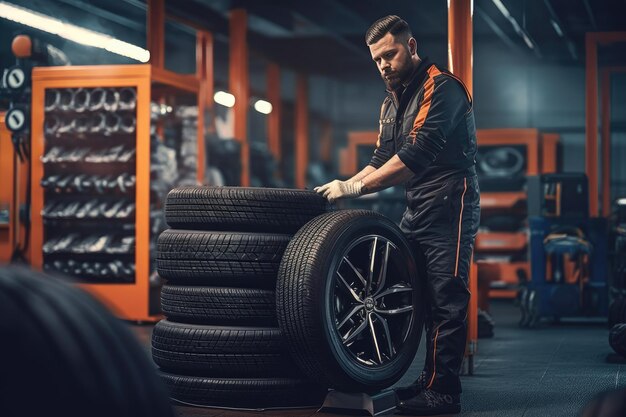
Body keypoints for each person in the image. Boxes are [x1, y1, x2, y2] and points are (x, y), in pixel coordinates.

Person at [314, 15, 480, 416]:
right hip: (417, 205)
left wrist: (355, 189)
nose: (383, 65)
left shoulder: (442, 88)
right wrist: (343, 184)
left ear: (410, 46)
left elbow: (416, 156)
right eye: (376, 60)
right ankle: (428, 380)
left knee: (446, 296)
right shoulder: (391, 100)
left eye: (389, 54)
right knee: (408, 291)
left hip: (451, 201)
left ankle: (445, 394)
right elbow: (381, 159)